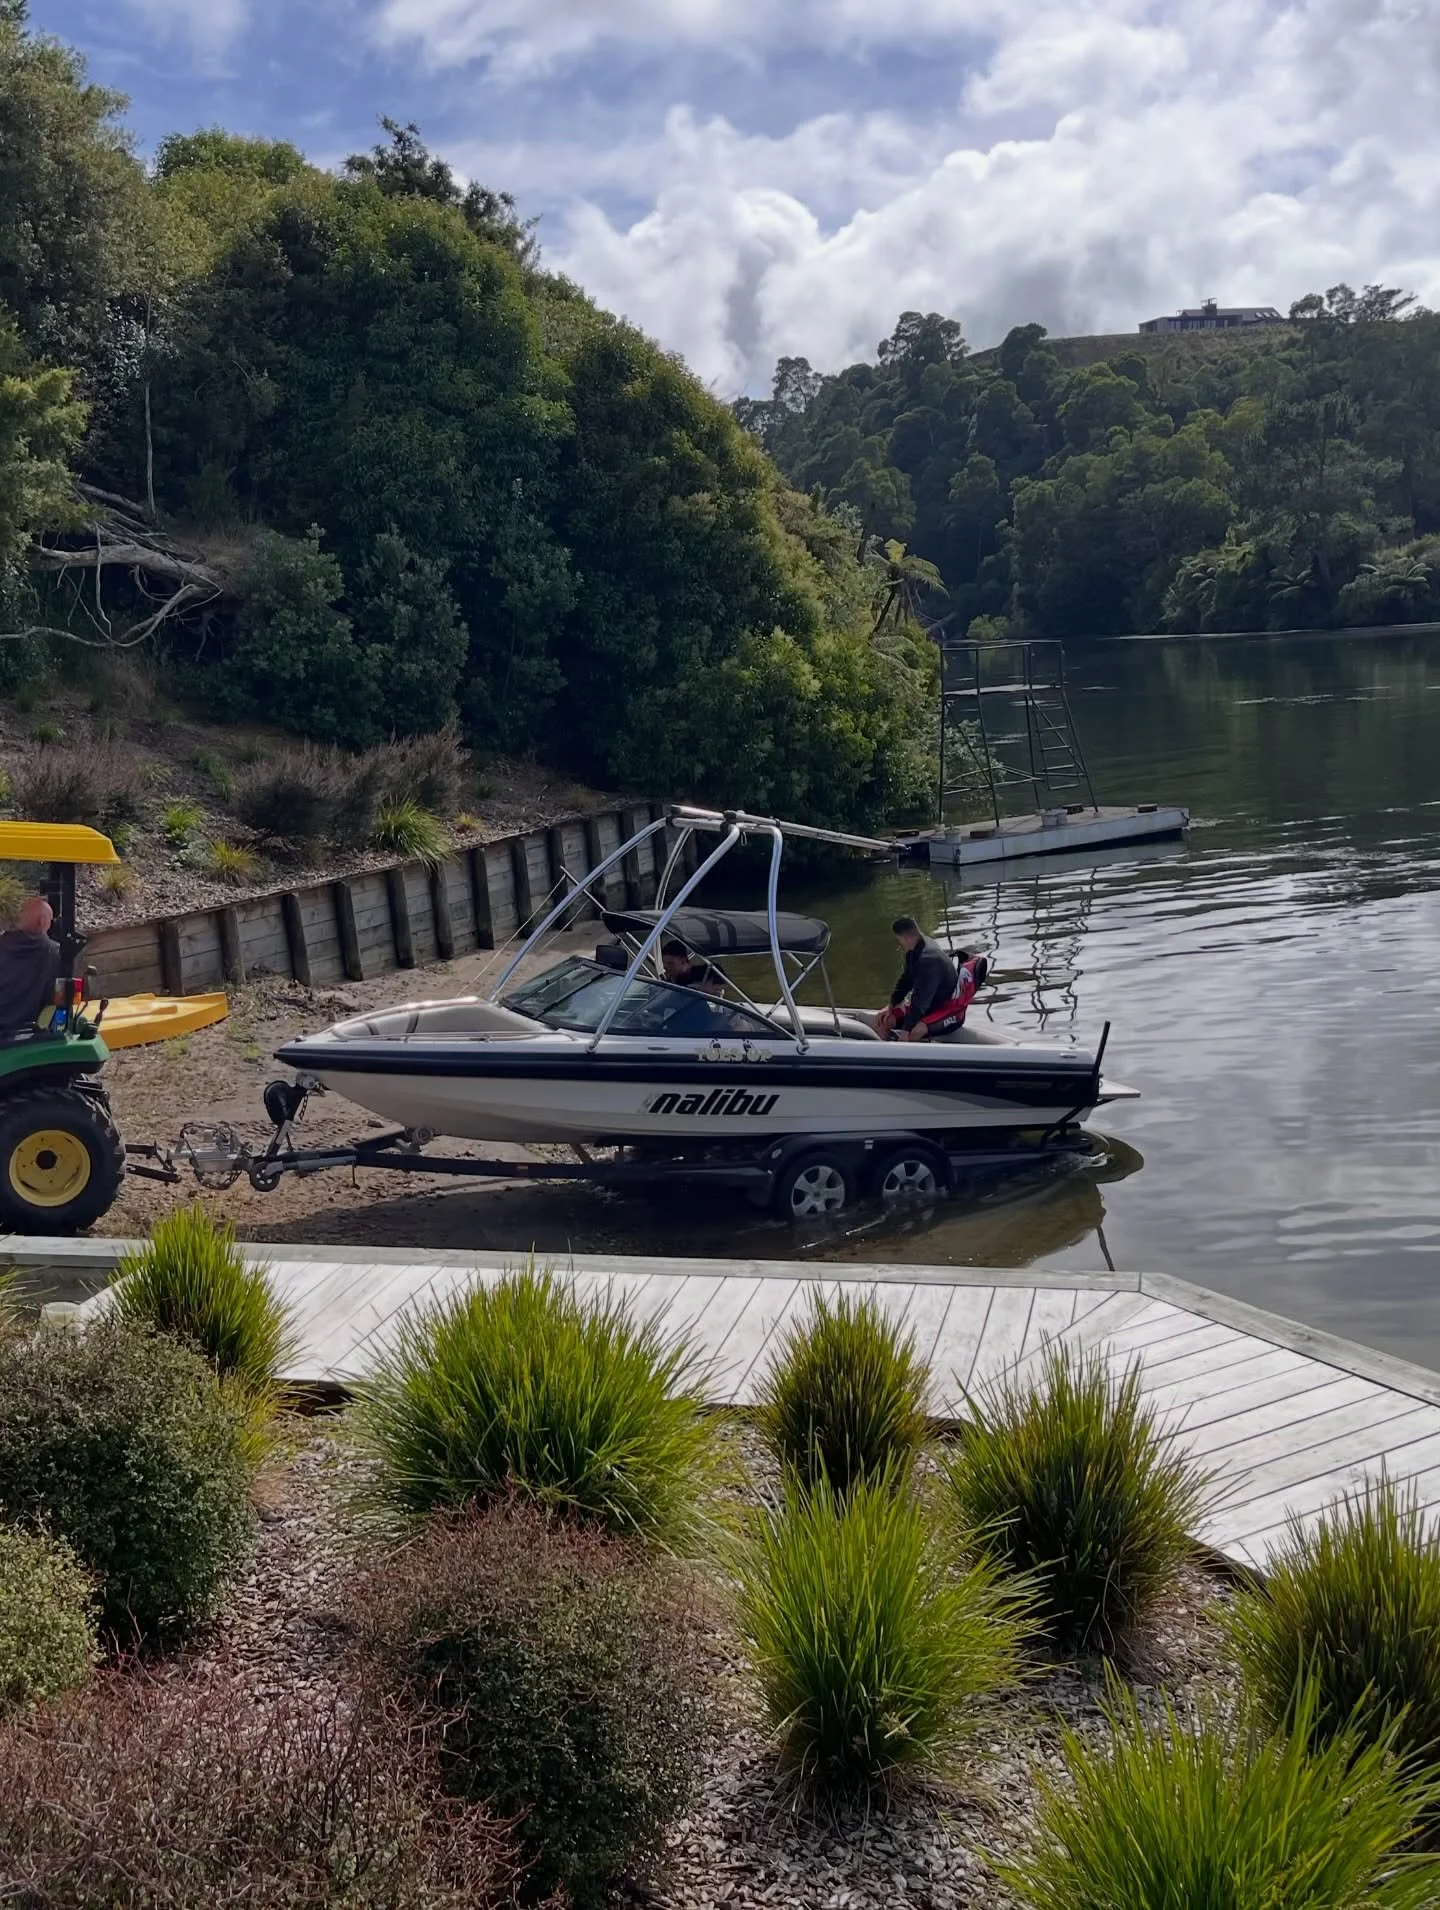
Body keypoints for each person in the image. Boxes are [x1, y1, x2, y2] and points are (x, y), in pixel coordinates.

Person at [874, 916, 958, 1041]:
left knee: (913, 1032)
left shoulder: (928, 960)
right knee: (885, 1020)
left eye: (899, 940)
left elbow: (920, 1001)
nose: (900, 944)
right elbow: (906, 980)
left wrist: (906, 1030)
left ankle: (904, 1056)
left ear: (905, 938)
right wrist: (891, 1005)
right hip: (929, 1004)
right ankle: (884, 1052)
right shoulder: (915, 949)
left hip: (946, 1008)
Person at [0, 896, 61, 1038]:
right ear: (43, 922)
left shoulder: (3, 944)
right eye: (50, 921)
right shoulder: (53, 953)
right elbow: (54, 996)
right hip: (25, 1028)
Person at [660, 939, 725, 996]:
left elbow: (722, 984)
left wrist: (699, 988)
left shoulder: (705, 973)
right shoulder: (670, 980)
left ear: (683, 961)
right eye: (664, 963)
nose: (666, 967)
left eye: (670, 963)